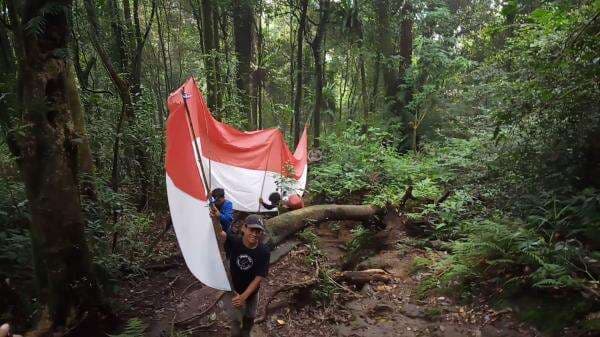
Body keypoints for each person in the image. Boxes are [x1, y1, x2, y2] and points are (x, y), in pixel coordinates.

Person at [220, 215, 270, 337]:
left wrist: (244, 296)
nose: (254, 234)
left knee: (250, 316)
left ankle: (246, 333)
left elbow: (259, 277)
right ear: (244, 228)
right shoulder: (234, 242)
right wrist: (216, 218)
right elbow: (220, 234)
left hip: (251, 293)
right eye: (252, 229)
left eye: (258, 231)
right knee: (236, 320)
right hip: (232, 290)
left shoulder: (263, 252)